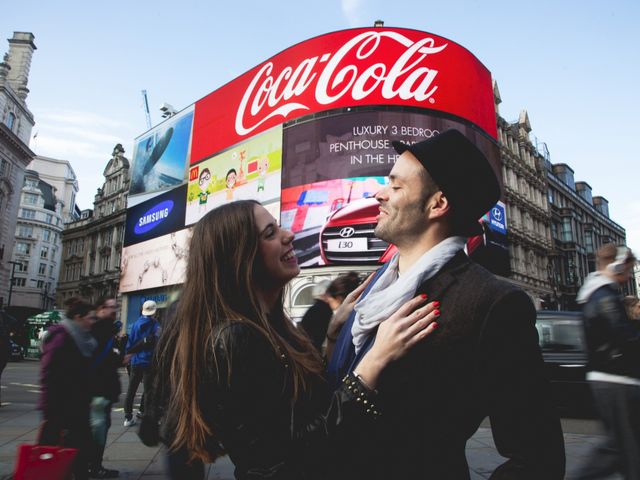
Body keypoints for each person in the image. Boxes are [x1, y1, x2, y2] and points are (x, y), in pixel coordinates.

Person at [327, 129, 565, 479]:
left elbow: (538, 458)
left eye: (395, 186)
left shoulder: (491, 302)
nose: (379, 194)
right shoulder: (373, 289)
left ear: (438, 204)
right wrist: (334, 336)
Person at [143, 200, 439, 479]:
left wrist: (334, 335)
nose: (290, 235)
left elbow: (304, 404)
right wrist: (372, 365)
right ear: (240, 257)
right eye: (270, 233)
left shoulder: (272, 325)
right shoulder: (235, 339)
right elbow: (287, 457)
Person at [571, 244, 639, 480]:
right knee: (620, 448)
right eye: (628, 269)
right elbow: (624, 337)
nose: (629, 275)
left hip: (613, 379)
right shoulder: (604, 297)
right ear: (617, 264)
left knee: (621, 447)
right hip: (615, 379)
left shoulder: (601, 293)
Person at [38, 297, 97, 480]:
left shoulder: (82, 338)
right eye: (90, 318)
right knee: (63, 457)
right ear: (78, 317)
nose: (93, 322)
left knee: (79, 454)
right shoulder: (62, 337)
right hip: (62, 409)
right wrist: (50, 413)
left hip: (78, 406)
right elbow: (49, 376)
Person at [88, 297, 122, 478]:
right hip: (97, 390)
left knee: (100, 428)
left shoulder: (106, 329)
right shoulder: (97, 329)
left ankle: (93, 465)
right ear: (100, 308)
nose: (115, 310)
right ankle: (93, 466)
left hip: (103, 390)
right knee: (97, 430)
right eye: (111, 307)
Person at [123, 300, 159, 427]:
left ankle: (128, 417)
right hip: (148, 361)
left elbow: (130, 344)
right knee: (149, 391)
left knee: (131, 390)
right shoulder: (154, 324)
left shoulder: (136, 323)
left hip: (136, 361)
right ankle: (145, 415)